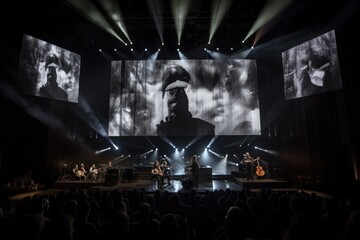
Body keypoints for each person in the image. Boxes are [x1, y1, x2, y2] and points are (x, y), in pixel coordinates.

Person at [156, 65, 215, 136]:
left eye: (181, 90)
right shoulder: (159, 130)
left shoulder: (205, 128)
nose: (176, 94)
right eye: (172, 91)